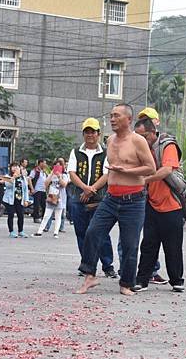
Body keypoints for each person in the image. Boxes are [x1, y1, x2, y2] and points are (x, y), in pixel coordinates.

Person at [76, 104, 156, 296]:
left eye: (116, 116)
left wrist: (128, 171)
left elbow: (151, 168)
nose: (112, 119)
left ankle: (126, 283)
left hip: (134, 200)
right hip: (111, 198)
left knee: (130, 244)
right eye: (111, 116)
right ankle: (89, 275)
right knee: (93, 232)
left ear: (128, 119)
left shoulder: (138, 141)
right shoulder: (110, 140)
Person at [131, 118, 185, 293]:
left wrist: (145, 179)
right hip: (150, 203)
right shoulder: (141, 150)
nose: (141, 141)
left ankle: (177, 280)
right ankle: (142, 280)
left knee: (173, 246)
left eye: (143, 136)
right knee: (148, 245)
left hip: (171, 205)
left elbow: (167, 170)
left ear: (153, 133)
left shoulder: (167, 145)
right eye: (137, 137)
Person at [66, 118, 116, 278]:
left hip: (99, 198)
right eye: (87, 132)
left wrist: (92, 189)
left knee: (100, 232)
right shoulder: (75, 152)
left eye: (93, 132)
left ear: (98, 134)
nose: (90, 135)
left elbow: (107, 174)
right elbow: (72, 173)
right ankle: (86, 265)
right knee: (81, 232)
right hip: (77, 197)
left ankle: (108, 265)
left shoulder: (106, 152)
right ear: (83, 134)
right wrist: (84, 188)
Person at [32, 160, 69, 238]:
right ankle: (39, 231)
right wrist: (52, 174)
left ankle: (56, 233)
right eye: (56, 166)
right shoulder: (51, 174)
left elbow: (64, 184)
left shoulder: (64, 175)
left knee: (58, 216)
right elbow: (45, 184)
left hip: (60, 197)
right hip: (51, 197)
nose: (57, 168)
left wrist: (59, 177)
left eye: (59, 166)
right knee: (46, 215)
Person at [1, 162, 30, 238]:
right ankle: (11, 231)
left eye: (16, 166)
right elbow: (8, 185)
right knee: (11, 215)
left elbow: (25, 189)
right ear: (10, 168)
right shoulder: (7, 176)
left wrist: (26, 200)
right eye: (13, 167)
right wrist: (14, 177)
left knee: (21, 215)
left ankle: (21, 231)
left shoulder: (23, 178)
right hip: (10, 199)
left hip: (19, 199)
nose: (15, 168)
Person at [29, 158, 48, 223]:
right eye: (44, 163)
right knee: (36, 205)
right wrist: (32, 188)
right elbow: (29, 179)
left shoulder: (44, 171)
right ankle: (36, 217)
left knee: (44, 205)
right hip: (37, 190)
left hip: (43, 190)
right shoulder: (35, 171)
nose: (45, 165)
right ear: (41, 163)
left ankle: (43, 217)